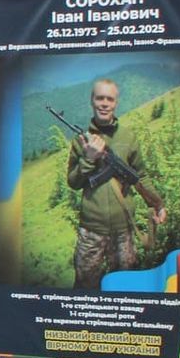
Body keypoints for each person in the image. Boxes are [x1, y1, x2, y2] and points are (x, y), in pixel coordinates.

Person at [65, 77, 166, 289]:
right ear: (92, 101)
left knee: (124, 287)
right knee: (85, 287)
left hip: (124, 231)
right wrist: (89, 159)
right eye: (99, 98)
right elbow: (73, 182)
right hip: (91, 231)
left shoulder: (128, 137)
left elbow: (140, 176)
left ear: (116, 103)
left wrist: (157, 204)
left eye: (109, 99)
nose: (104, 103)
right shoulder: (80, 141)